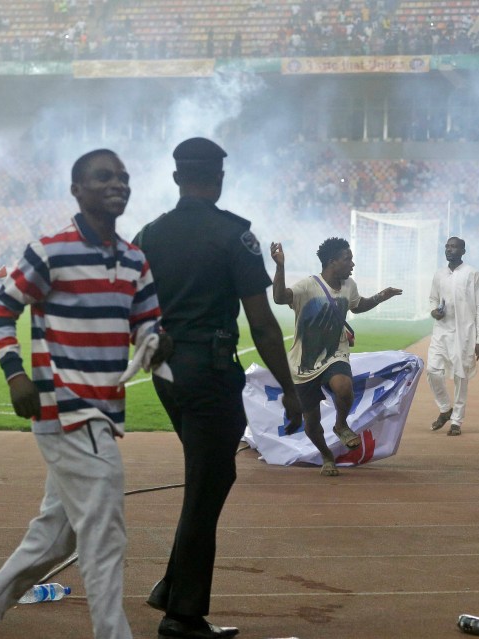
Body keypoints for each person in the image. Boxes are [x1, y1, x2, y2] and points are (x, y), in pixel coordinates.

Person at [0, 149, 167, 639]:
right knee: (105, 535)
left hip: (103, 412)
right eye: (104, 177)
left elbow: (146, 325)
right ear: (77, 190)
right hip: (64, 408)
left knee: (57, 534)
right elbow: (1, 310)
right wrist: (14, 375)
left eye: (123, 178)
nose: (118, 184)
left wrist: (155, 341)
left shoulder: (134, 260)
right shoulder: (49, 252)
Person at [133, 137, 302, 639]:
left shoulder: (149, 235)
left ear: (176, 177)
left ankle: (172, 587)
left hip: (165, 372)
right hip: (209, 372)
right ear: (219, 177)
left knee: (212, 478)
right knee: (207, 486)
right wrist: (290, 390)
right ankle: (182, 615)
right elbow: (263, 324)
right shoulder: (235, 236)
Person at [271, 237, 402, 475]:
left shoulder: (349, 284)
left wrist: (382, 295)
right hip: (304, 362)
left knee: (343, 387)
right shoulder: (308, 286)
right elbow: (280, 298)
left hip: (335, 353)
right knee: (311, 423)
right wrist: (280, 266)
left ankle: (341, 424)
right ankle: (326, 455)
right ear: (332, 262)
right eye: (347, 259)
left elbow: (358, 305)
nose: (352, 264)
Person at [428, 236, 479, 436]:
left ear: (463, 251)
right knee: (432, 370)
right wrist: (434, 311)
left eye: (453, 247)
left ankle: (456, 421)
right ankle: (445, 409)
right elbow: (433, 299)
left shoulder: (472, 274)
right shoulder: (439, 275)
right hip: (441, 331)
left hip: (465, 333)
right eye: (447, 246)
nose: (449, 249)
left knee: (460, 377)